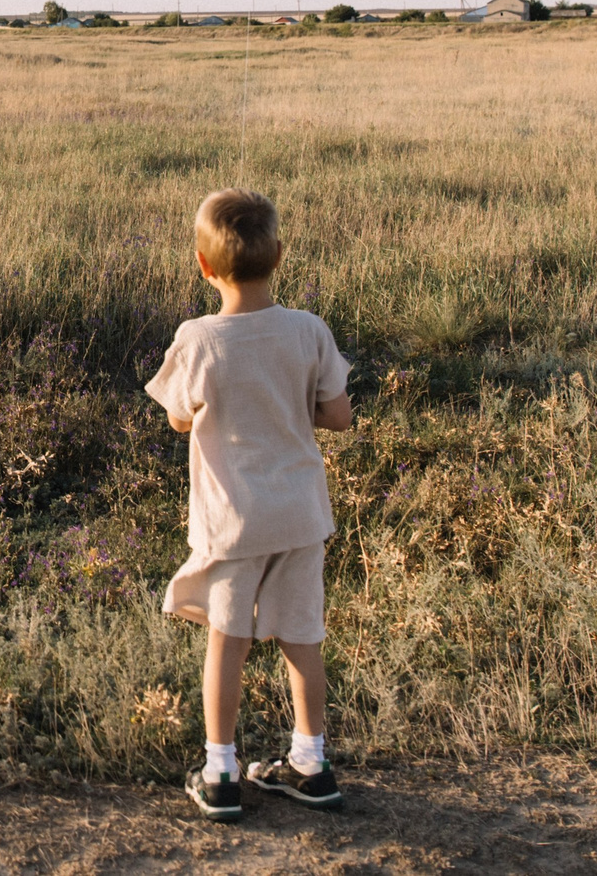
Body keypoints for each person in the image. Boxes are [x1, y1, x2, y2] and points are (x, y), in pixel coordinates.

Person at [145, 189, 355, 823]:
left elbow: (181, 419)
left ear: (203, 267)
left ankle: (220, 773)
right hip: (299, 516)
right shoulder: (309, 329)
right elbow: (338, 416)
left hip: (233, 522)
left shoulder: (198, 339)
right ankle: (311, 765)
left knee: (226, 642)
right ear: (281, 257)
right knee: (303, 640)